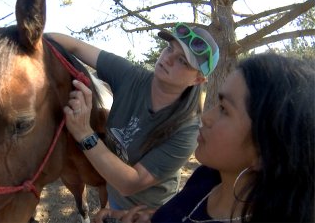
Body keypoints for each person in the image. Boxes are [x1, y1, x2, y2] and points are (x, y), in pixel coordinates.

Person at [93, 53, 315, 223]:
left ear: (266, 153)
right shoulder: (208, 178)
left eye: (225, 110)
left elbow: (130, 182)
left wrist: (85, 134)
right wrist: (153, 217)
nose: (206, 118)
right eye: (217, 103)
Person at [49, 22, 220, 210]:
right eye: (170, 48)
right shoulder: (131, 77)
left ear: (198, 80)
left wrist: (83, 133)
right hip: (113, 201)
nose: (168, 58)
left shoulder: (187, 129)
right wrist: (24, 40)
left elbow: (130, 184)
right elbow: (75, 46)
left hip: (148, 213)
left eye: (182, 61)